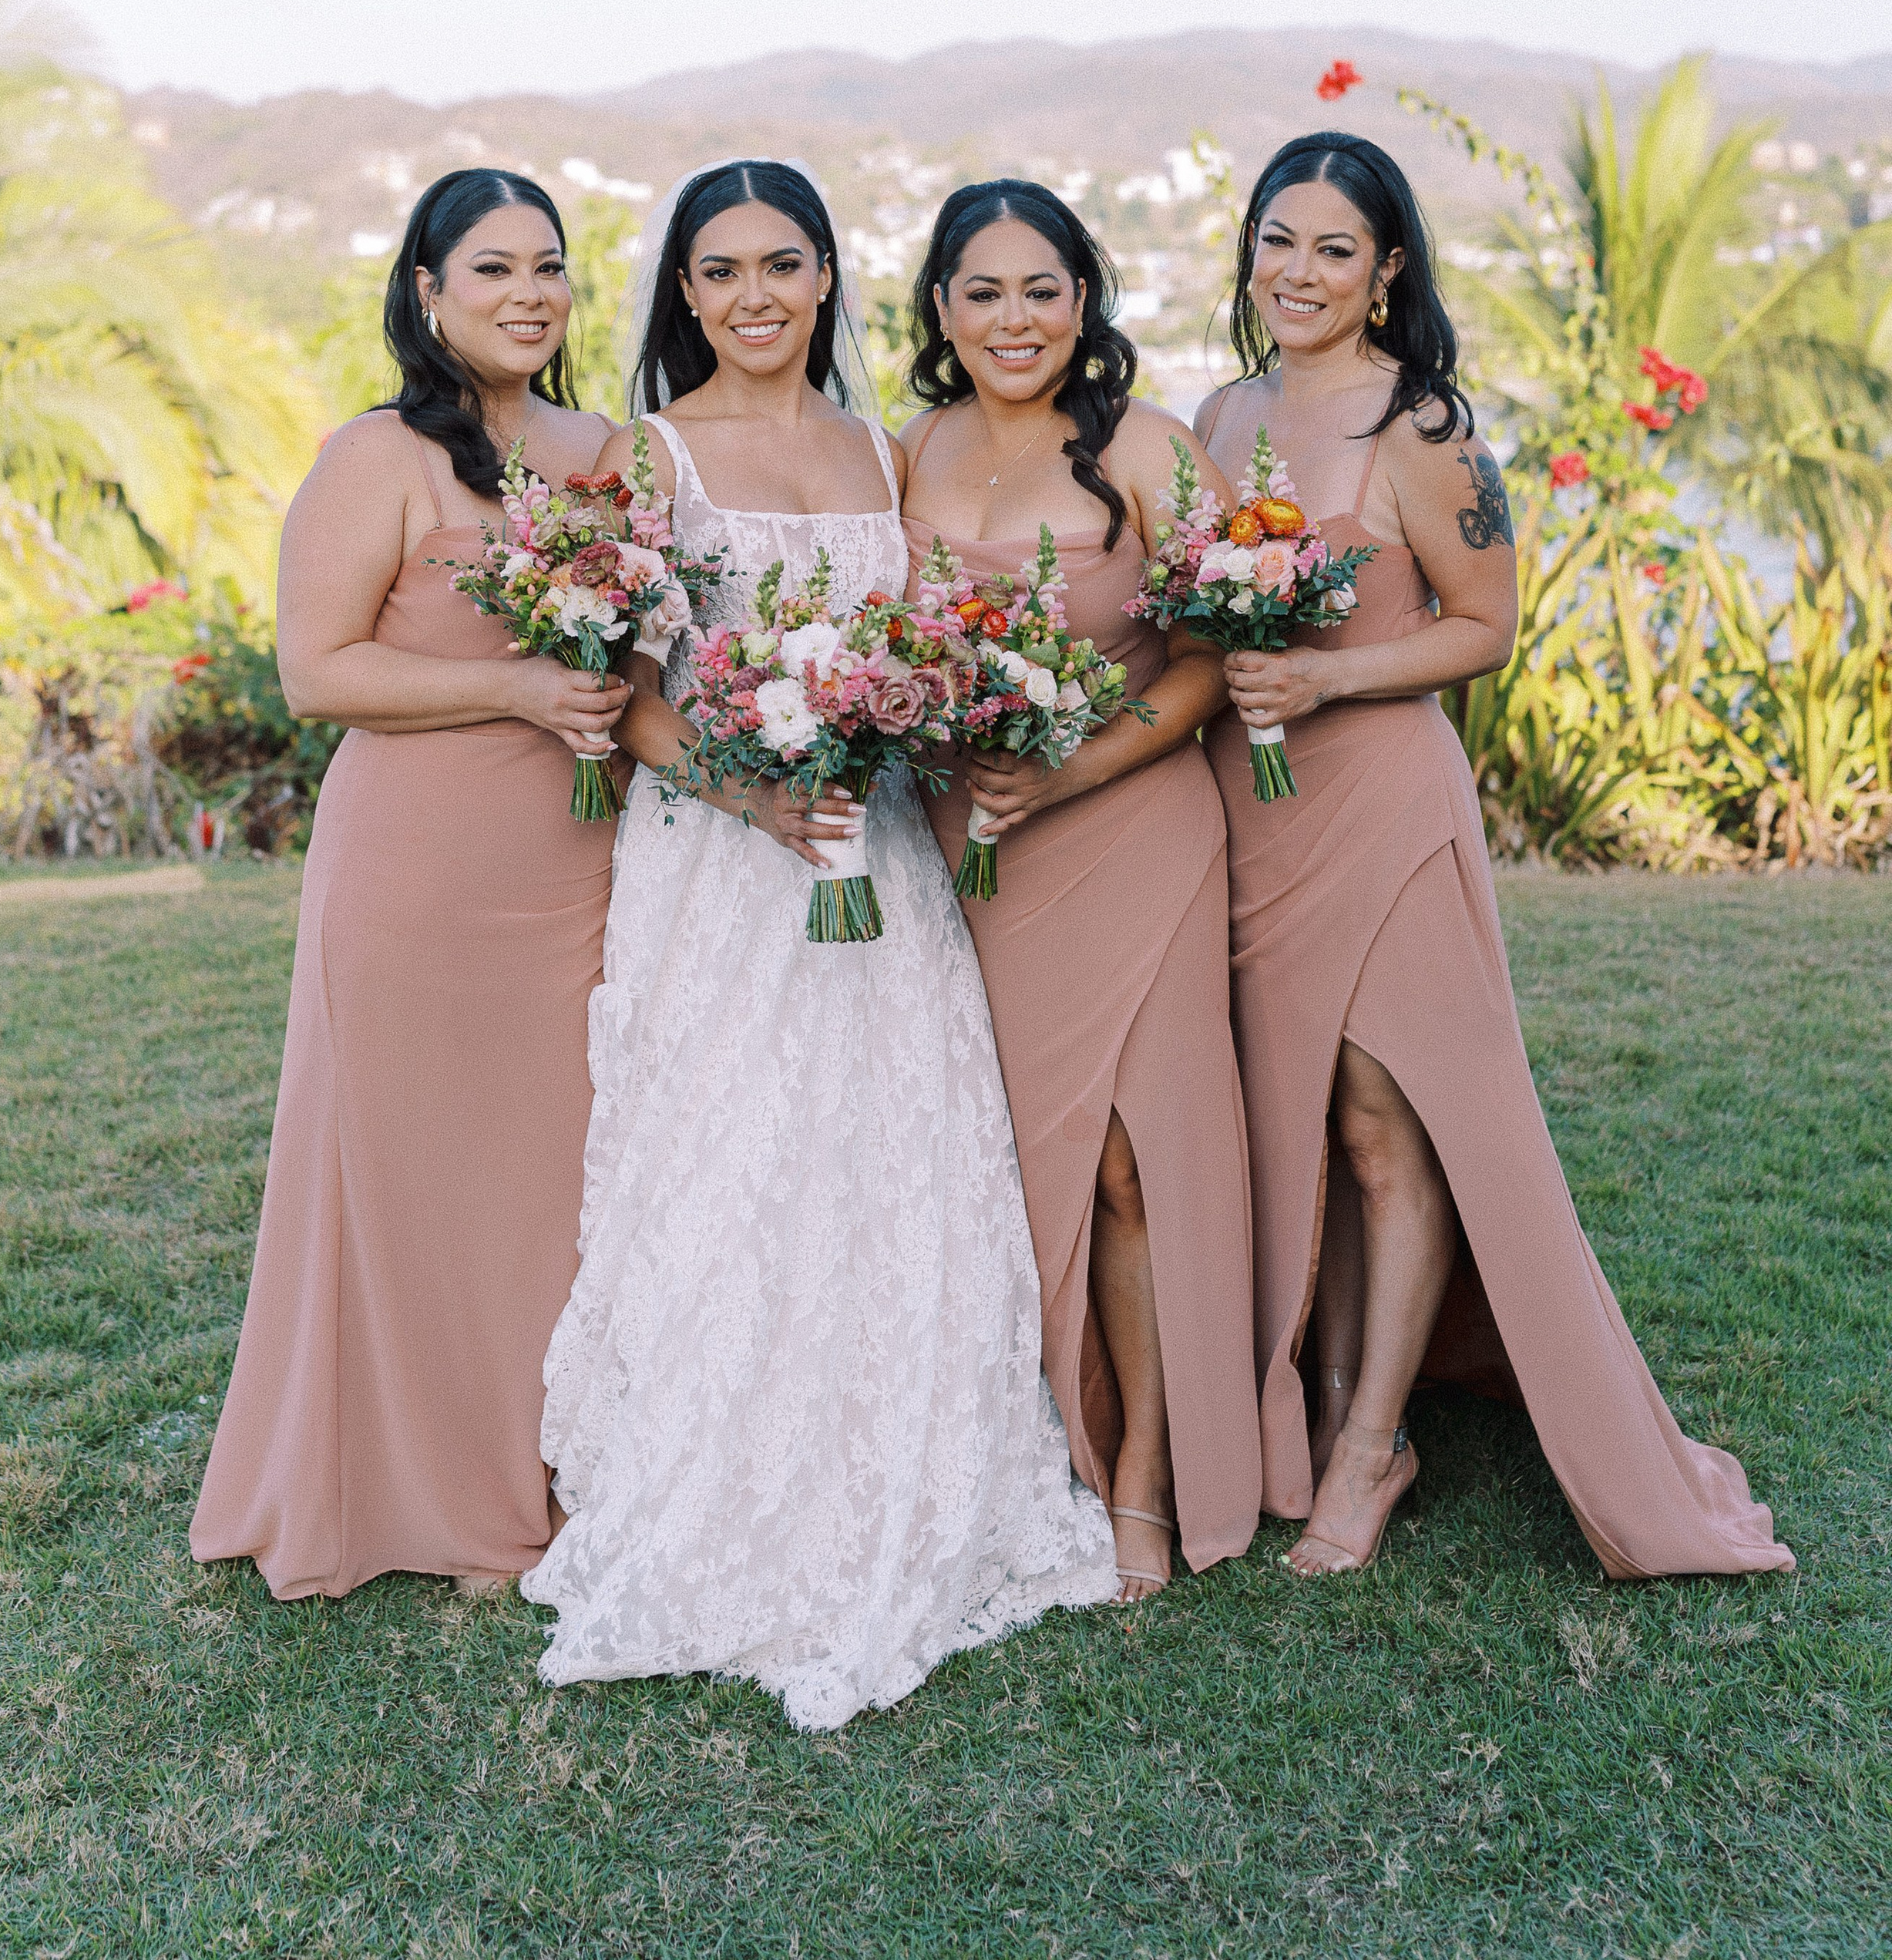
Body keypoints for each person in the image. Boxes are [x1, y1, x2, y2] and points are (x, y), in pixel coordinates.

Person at [522, 157, 1117, 1731]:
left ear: (828, 279)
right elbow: (623, 691)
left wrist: (923, 718)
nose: (755, 297)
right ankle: (716, 1481)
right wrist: (752, 791)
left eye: (782, 265)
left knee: (885, 1154)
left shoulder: (878, 447)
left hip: (878, 854)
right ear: (685, 292)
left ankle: (902, 1461)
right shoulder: (651, 456)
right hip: (721, 865)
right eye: (721, 271)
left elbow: (916, 640)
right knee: (730, 1154)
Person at [1198, 129, 1793, 1582]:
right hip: (1251, 810)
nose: (1298, 272)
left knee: (1385, 1126)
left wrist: (1327, 677)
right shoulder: (1218, 414)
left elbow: (1487, 628)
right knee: (1302, 1120)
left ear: (1387, 269)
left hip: (1381, 804)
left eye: (1334, 249)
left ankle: (1371, 1447)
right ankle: (1327, 1397)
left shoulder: (1424, 427)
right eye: (1278, 241)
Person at [191, 169, 629, 1600]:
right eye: (493, 269)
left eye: (548, 266)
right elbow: (318, 672)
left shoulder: (606, 451)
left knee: (552, 1173)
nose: (529, 295)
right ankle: (422, 1489)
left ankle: (553, 1462)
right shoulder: (375, 456)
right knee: (415, 1172)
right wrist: (517, 688)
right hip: (417, 865)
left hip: (582, 859)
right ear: (429, 292)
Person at [900, 180, 1262, 1599]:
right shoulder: (905, 452)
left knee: (1126, 1163)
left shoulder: (1148, 449)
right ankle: (1030, 1443)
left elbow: (1214, 662)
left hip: (1126, 829)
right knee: (1004, 1157)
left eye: (1041, 290)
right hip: (969, 845)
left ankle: (1145, 1482)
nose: (1015, 320)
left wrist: (1069, 773)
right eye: (984, 292)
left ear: (1084, 300)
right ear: (940, 308)